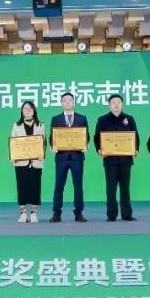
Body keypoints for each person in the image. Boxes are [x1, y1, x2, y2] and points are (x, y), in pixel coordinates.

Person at [94, 94, 140, 222]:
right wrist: (99, 149)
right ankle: (111, 215)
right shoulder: (102, 119)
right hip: (110, 160)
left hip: (126, 160)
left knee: (125, 188)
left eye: (118, 102)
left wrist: (135, 149)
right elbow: (97, 137)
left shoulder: (129, 119)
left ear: (122, 104)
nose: (116, 105)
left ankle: (127, 214)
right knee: (111, 188)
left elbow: (135, 136)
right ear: (109, 105)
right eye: (113, 102)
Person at [49, 92, 88, 223]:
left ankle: (79, 212)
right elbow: (52, 136)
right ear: (61, 103)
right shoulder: (56, 118)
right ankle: (56, 212)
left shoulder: (82, 118)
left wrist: (85, 144)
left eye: (70, 100)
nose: (67, 102)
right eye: (64, 100)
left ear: (74, 102)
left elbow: (86, 135)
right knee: (59, 186)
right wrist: (53, 145)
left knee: (78, 186)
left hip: (77, 157)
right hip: (61, 157)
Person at [10, 100, 45, 223]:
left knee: (35, 187)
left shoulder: (40, 125)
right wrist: (13, 155)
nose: (28, 110)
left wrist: (42, 153)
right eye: (25, 108)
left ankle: (34, 213)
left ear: (34, 110)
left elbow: (43, 142)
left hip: (36, 161)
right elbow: (13, 142)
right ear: (22, 111)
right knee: (22, 187)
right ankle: (23, 213)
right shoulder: (16, 125)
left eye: (30, 108)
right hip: (21, 161)